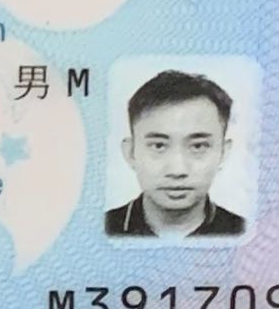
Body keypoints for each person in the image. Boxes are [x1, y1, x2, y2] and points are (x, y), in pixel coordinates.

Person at [105, 70, 246, 238]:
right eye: (158, 146)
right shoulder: (102, 227)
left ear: (223, 153)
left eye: (198, 146)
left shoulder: (243, 232)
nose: (177, 170)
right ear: (130, 153)